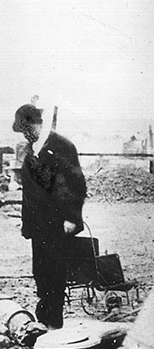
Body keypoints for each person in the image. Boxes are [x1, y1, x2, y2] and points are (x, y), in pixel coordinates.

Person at [13, 103, 87, 329]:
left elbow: (76, 184)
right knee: (41, 271)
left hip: (58, 223)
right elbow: (29, 192)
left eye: (26, 129)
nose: (25, 134)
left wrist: (71, 217)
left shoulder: (61, 146)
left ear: (36, 124)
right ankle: (45, 318)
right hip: (38, 224)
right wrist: (27, 224)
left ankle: (53, 322)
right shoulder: (32, 149)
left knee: (55, 272)